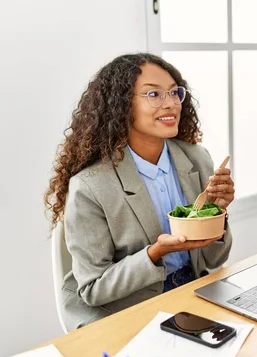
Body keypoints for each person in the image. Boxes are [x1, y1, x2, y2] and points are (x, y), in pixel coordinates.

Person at [44, 53, 234, 331]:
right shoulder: (91, 186)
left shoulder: (197, 159)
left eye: (173, 92)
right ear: (121, 105)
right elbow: (93, 288)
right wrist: (154, 253)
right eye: (153, 94)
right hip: (129, 310)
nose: (170, 103)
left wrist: (217, 214)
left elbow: (216, 260)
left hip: (192, 295)